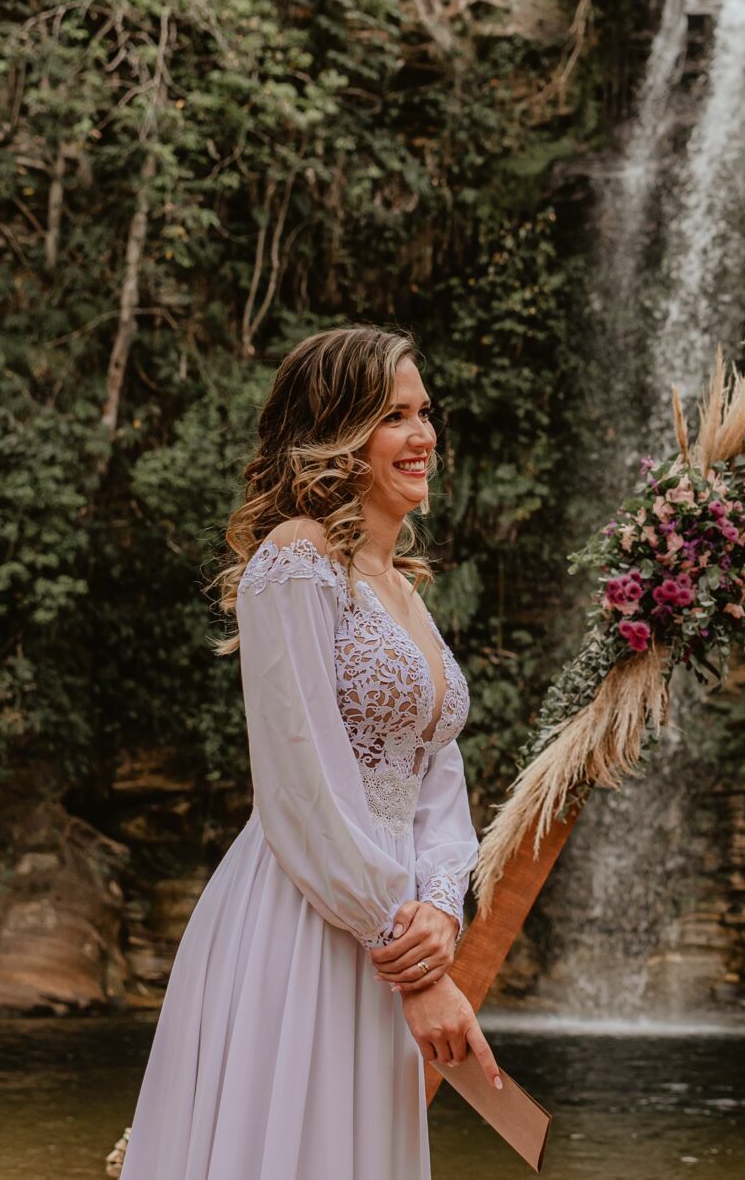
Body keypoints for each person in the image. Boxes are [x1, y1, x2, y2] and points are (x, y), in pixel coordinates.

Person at [117, 327, 500, 1180]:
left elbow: (438, 769)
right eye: (395, 417)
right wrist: (405, 954)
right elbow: (301, 786)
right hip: (306, 919)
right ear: (338, 432)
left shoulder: (404, 589)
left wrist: (442, 906)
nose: (424, 435)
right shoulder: (296, 561)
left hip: (394, 926)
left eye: (425, 413)